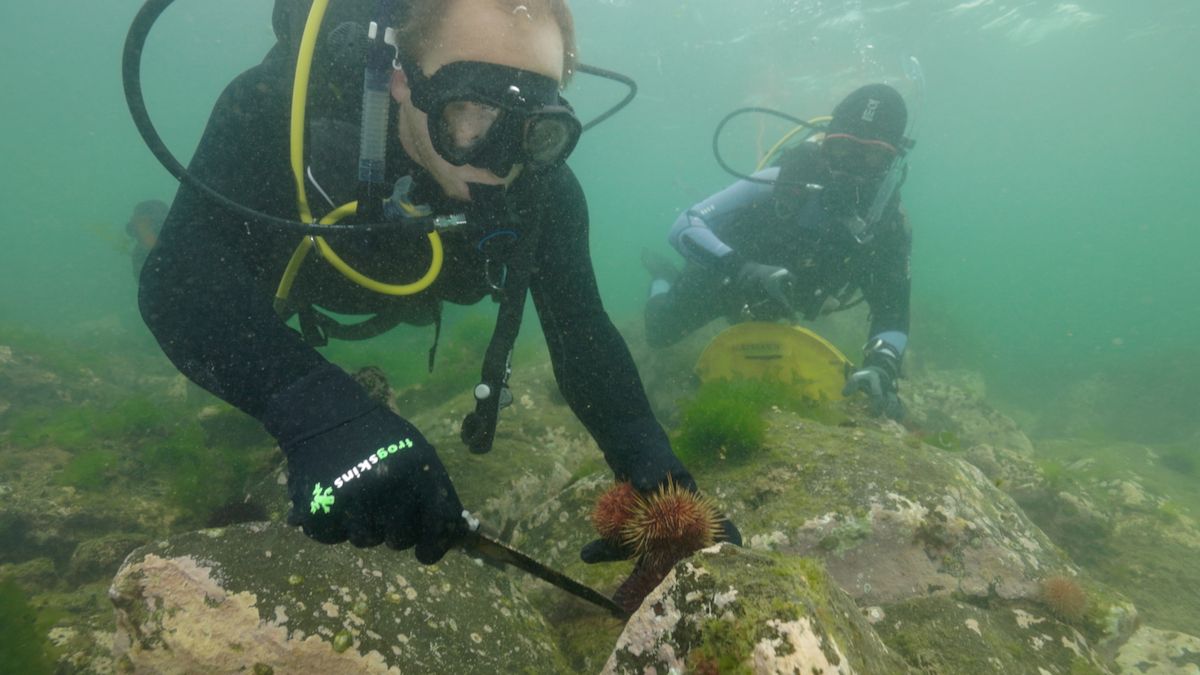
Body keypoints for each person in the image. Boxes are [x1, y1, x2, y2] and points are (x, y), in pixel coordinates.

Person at [137, 0, 740, 566]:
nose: (501, 160)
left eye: (533, 123)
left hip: (389, 281)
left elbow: (581, 331)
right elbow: (179, 285)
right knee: (167, 248)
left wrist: (659, 480)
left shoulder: (541, 189)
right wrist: (319, 412)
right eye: (470, 110)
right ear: (403, 80)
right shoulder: (276, 116)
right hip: (293, 273)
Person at [643, 84, 913, 421]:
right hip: (727, 280)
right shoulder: (784, 178)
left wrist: (882, 365)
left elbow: (893, 311)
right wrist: (741, 268)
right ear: (827, 142)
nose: (852, 168)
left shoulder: (888, 226)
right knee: (658, 330)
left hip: (790, 301)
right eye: (843, 150)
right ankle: (662, 278)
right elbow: (685, 225)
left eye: (872, 157)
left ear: (891, 162)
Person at [126, 199, 167, 279]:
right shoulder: (139, 253)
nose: (137, 228)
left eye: (141, 222)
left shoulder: (183, 248)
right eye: (134, 222)